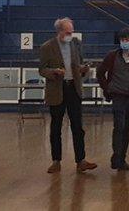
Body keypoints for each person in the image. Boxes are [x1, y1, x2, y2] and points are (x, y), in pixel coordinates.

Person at [38, 17, 97, 174]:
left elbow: (80, 64)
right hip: (57, 89)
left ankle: (81, 160)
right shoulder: (47, 47)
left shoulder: (76, 44)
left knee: (77, 126)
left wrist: (84, 69)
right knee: (56, 127)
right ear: (60, 31)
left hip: (73, 89)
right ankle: (56, 161)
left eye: (72, 31)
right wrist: (54, 72)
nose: (70, 34)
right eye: (67, 32)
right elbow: (42, 69)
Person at [96, 28, 129, 171]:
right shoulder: (111, 56)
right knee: (118, 126)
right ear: (120, 41)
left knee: (127, 129)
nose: (125, 42)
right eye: (123, 40)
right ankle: (116, 156)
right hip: (118, 95)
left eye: (127, 39)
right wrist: (107, 88)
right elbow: (100, 73)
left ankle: (122, 158)